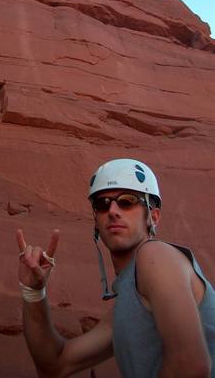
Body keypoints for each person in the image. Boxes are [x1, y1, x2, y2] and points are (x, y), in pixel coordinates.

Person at [17, 158, 215, 377]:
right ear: (96, 221)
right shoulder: (126, 306)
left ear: (153, 216)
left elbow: (189, 367)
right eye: (102, 204)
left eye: (127, 201)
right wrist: (33, 292)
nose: (112, 210)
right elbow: (55, 365)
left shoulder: (157, 255)